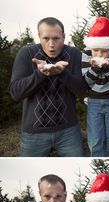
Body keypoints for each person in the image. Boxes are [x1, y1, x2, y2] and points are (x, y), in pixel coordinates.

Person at [10, 17, 87, 157]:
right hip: (33, 134)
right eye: (46, 38)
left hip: (68, 131)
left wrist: (63, 74)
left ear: (64, 37)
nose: (51, 44)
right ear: (39, 36)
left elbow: (81, 90)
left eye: (56, 38)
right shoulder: (26, 54)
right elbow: (16, 92)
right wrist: (39, 74)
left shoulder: (74, 54)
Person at [81, 17, 109, 157]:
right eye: (96, 50)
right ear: (91, 48)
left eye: (104, 51)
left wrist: (107, 67)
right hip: (94, 102)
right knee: (95, 140)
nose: (100, 54)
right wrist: (95, 69)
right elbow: (87, 81)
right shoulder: (86, 54)